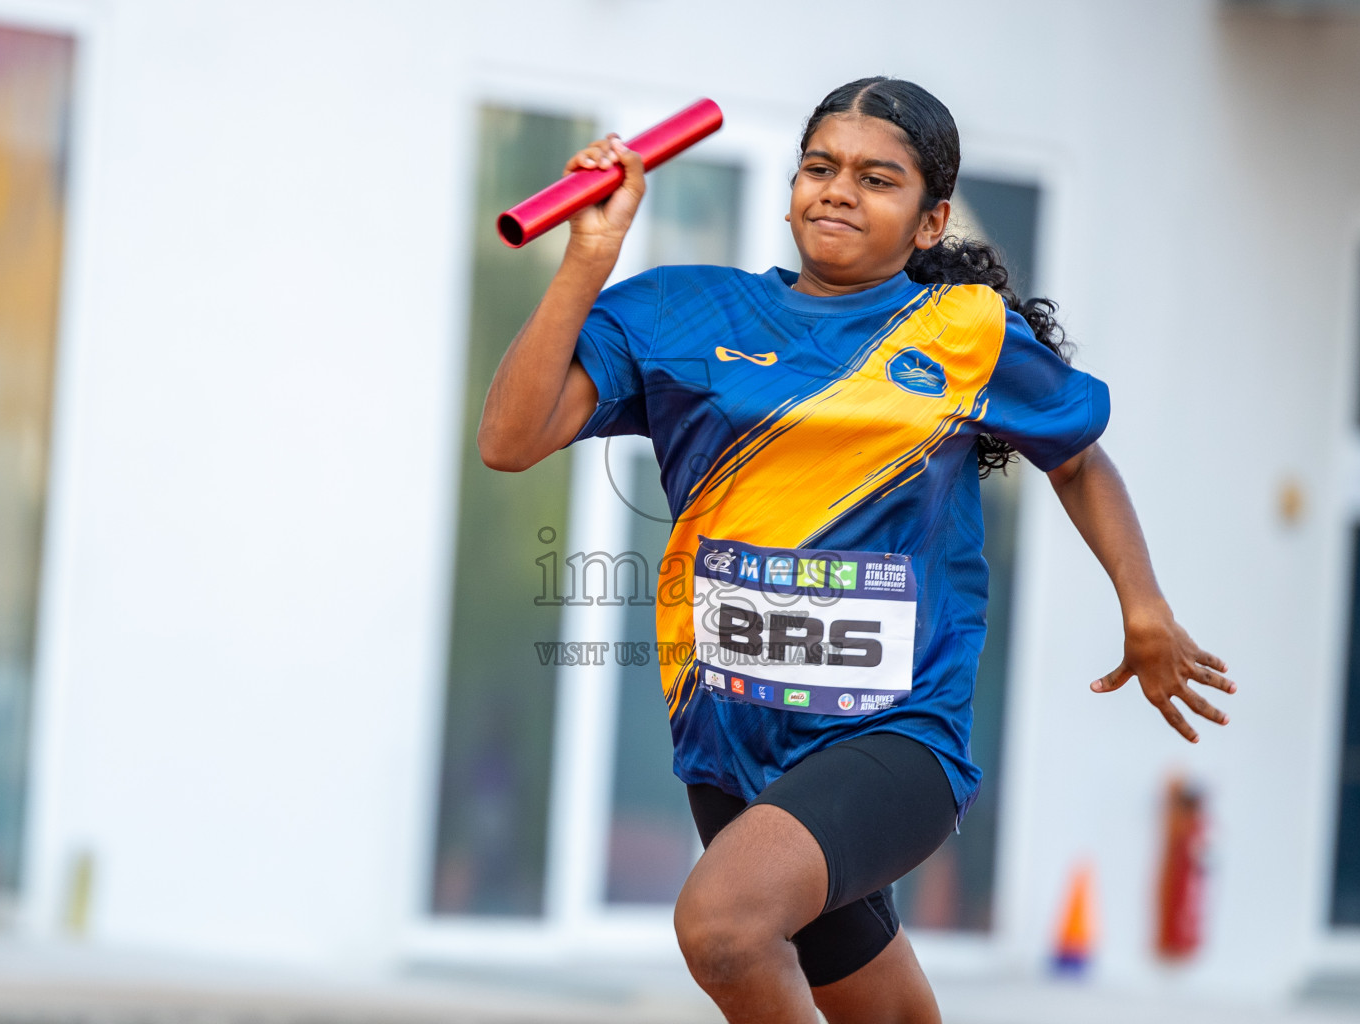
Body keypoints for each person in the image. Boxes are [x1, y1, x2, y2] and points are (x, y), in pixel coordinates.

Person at [478, 77, 1235, 1024]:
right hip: (728, 735)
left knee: (724, 928)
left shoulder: (962, 333)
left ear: (931, 220)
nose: (837, 190)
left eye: (878, 178)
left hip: (895, 737)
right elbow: (510, 440)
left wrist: (1144, 605)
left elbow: (1079, 461)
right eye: (819, 168)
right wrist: (590, 255)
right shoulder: (679, 313)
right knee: (883, 1012)